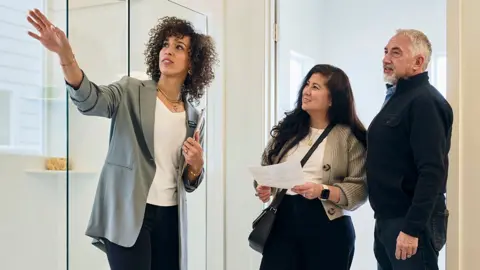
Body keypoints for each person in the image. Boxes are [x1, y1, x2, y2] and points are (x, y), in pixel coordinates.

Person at [26, 9, 218, 270]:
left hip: (171, 216)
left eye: (179, 47)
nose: (168, 51)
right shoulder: (131, 90)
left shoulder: (194, 116)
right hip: (129, 213)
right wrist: (65, 55)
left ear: (192, 62)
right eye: (165, 44)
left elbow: (190, 181)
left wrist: (196, 165)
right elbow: (90, 101)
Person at [255, 64, 368, 270]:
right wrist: (265, 186)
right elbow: (267, 166)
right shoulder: (287, 129)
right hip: (283, 221)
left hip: (327, 226)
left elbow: (359, 188)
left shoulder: (348, 137)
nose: (306, 91)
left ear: (332, 99)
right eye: (307, 84)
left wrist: (322, 191)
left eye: (315, 87)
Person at [367, 29, 453, 270]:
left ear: (418, 62)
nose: (386, 58)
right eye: (385, 51)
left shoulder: (425, 102)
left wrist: (411, 229)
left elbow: (432, 171)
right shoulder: (398, 98)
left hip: (409, 222)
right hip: (387, 219)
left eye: (395, 52)